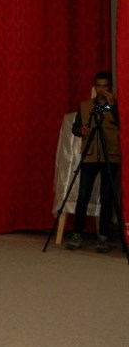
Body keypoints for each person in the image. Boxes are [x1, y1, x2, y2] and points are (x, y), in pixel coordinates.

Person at [66, 70, 120, 253]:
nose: (102, 90)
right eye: (99, 86)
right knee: (83, 195)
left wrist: (113, 106)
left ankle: (103, 237)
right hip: (90, 154)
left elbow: (123, 125)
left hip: (110, 155)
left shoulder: (117, 106)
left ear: (110, 88)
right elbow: (75, 129)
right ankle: (77, 234)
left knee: (107, 196)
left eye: (105, 86)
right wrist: (81, 130)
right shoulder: (86, 106)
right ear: (95, 87)